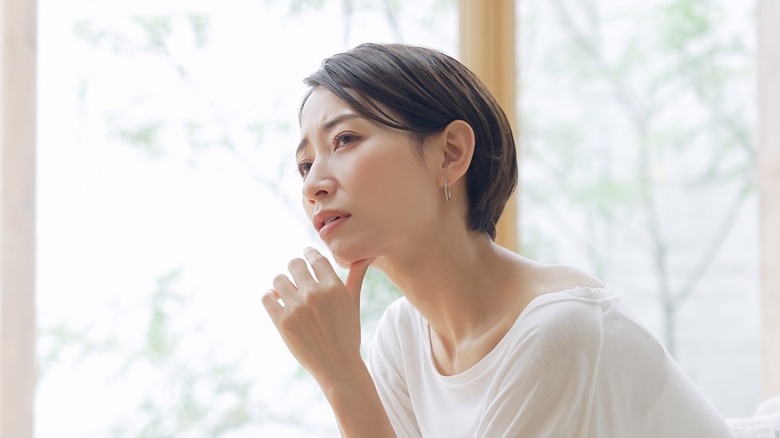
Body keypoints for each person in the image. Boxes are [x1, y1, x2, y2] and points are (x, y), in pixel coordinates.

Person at [262, 42, 734, 437]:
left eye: (344, 140)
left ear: (451, 152)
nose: (312, 185)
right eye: (304, 165)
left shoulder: (560, 332)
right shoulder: (402, 338)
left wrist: (342, 376)